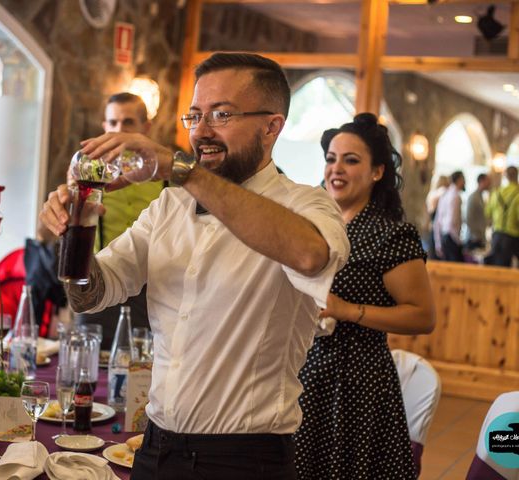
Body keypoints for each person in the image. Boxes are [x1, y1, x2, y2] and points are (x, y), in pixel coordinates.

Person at [41, 52, 349, 479]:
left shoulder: (305, 204)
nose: (201, 132)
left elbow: (309, 255)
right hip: (156, 450)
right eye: (194, 116)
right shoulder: (170, 205)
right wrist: (75, 226)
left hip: (245, 460)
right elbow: (90, 295)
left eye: (221, 115)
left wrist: (180, 169)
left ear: (272, 126)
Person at [294, 113, 435, 479]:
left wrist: (347, 310)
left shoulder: (391, 235)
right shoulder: (311, 224)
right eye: (331, 159)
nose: (336, 168)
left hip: (356, 382)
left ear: (377, 172)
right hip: (300, 369)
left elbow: (422, 316)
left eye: (351, 160)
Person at [74, 93, 164, 348]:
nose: (118, 131)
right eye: (112, 123)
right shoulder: (88, 174)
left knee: (144, 369)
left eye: (128, 123)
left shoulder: (164, 176)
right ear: (104, 127)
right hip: (102, 283)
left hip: (153, 291)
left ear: (145, 128)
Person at [484, 166, 519, 267]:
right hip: (513, 236)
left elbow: (487, 212)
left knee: (498, 267)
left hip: (497, 235)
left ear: (505, 176)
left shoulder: (496, 192)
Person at [434, 170, 466, 262]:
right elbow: (453, 220)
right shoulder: (455, 196)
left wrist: (438, 243)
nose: (465, 182)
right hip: (451, 238)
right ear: (459, 180)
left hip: (444, 236)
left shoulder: (445, 194)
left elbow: (438, 220)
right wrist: (458, 240)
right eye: (463, 179)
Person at [425, 175, 449, 259]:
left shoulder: (431, 194)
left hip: (432, 227)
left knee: (432, 255)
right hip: (439, 229)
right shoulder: (442, 193)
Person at [465, 173, 490, 251]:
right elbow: (468, 218)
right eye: (488, 181)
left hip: (479, 237)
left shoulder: (481, 197)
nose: (489, 183)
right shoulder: (474, 197)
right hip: (474, 239)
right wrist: (475, 235)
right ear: (481, 181)